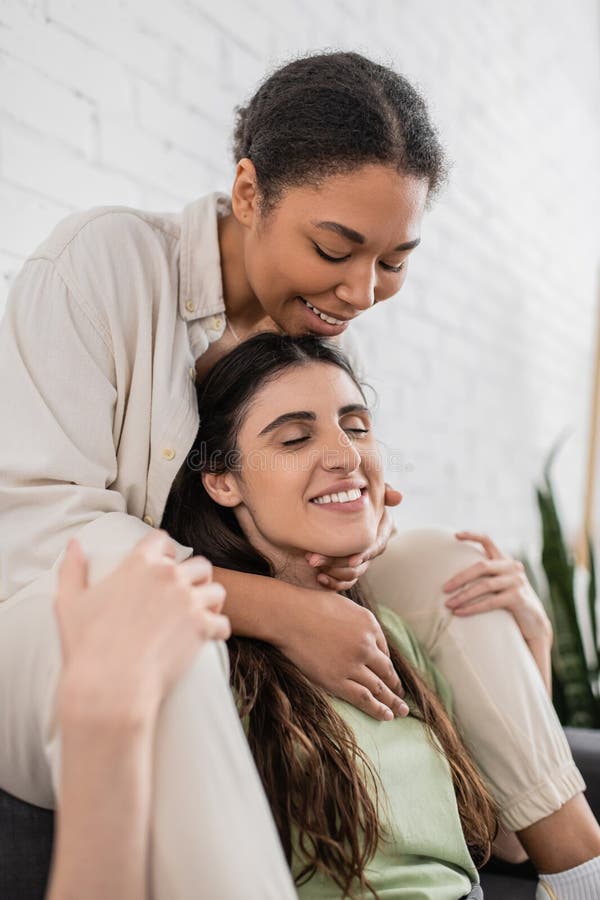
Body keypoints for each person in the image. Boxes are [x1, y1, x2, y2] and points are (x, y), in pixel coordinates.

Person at [0, 50, 596, 898]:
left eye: (393, 260)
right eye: (336, 248)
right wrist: (288, 610)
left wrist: (362, 533)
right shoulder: (106, 266)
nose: (361, 292)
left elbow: (344, 500)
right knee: (172, 646)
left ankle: (580, 871)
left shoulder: (316, 328)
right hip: (53, 621)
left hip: (234, 588)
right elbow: (45, 538)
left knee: (446, 565)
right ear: (249, 194)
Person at [49, 334, 600, 899]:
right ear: (222, 480)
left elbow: (505, 842)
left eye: (357, 427)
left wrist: (534, 641)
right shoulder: (207, 662)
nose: (345, 454)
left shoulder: (394, 637)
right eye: (293, 438)